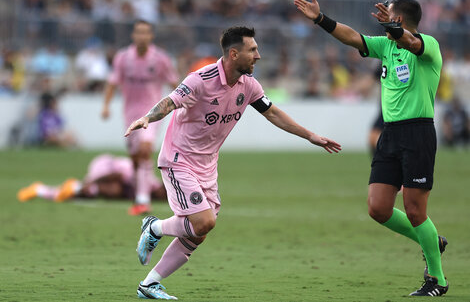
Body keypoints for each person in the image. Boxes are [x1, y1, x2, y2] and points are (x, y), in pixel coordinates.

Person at [125, 26, 342, 300]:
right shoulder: (200, 80)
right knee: (202, 222)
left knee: (197, 233)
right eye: (253, 50)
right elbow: (170, 102)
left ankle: (149, 284)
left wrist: (310, 135)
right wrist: (148, 117)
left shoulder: (249, 85)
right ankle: (154, 227)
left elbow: (272, 113)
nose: (258, 56)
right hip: (179, 159)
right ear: (234, 53)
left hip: (208, 165)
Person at [294, 0, 448, 296]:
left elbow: (413, 44)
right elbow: (353, 38)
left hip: (418, 133)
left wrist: (394, 30)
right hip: (390, 134)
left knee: (415, 211)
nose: (381, 18)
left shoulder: (428, 47)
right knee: (378, 208)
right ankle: (431, 241)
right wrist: (319, 19)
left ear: (399, 20)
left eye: (388, 15)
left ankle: (438, 280)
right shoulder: (386, 45)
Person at [102, 20, 179, 216]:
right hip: (130, 113)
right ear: (133, 35)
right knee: (135, 158)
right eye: (139, 32)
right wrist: (106, 106)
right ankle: (140, 189)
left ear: (151, 36)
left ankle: (143, 200)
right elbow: (112, 83)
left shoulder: (160, 59)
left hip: (152, 112)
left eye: (146, 33)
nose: (142, 36)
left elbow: (174, 84)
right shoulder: (123, 58)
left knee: (145, 150)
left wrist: (183, 106)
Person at [17, 154, 166, 203]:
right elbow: (117, 175)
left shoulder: (148, 192)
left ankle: (40, 190)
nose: (162, 198)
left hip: (109, 172)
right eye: (164, 195)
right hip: (104, 166)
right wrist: (91, 182)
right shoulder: (147, 181)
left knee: (114, 191)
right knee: (111, 189)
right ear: (161, 188)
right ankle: (76, 187)